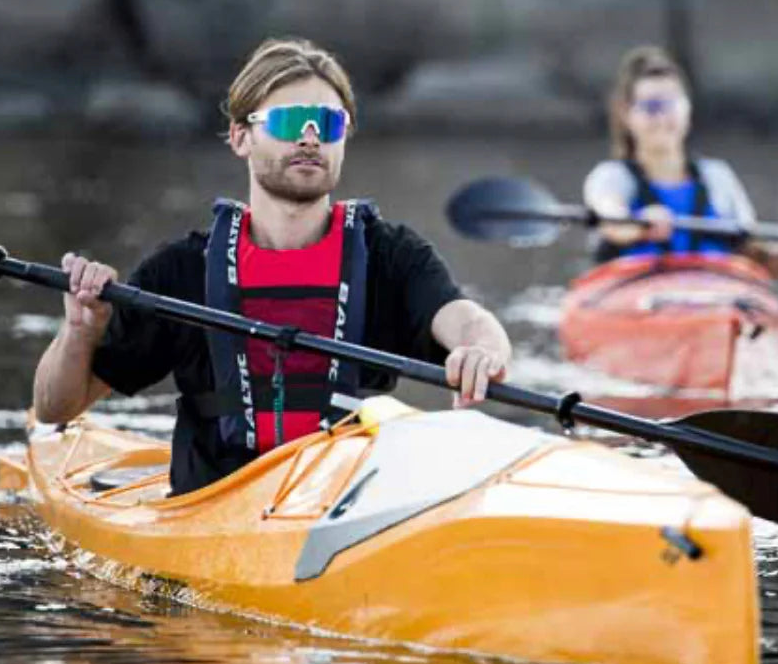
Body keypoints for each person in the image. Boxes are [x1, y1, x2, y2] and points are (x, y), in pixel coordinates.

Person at [34, 37, 512, 495]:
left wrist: (482, 352)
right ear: (241, 137)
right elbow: (56, 407)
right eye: (290, 121)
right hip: (214, 507)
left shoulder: (391, 255)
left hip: (344, 502)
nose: (310, 138)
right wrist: (80, 329)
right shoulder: (182, 271)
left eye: (327, 124)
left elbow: (466, 320)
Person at [582, 45, 778, 278]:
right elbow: (610, 218)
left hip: (713, 304)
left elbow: (761, 261)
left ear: (688, 110)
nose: (662, 118)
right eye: (651, 107)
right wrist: (640, 225)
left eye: (671, 105)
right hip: (636, 306)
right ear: (626, 115)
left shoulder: (717, 177)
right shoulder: (611, 177)